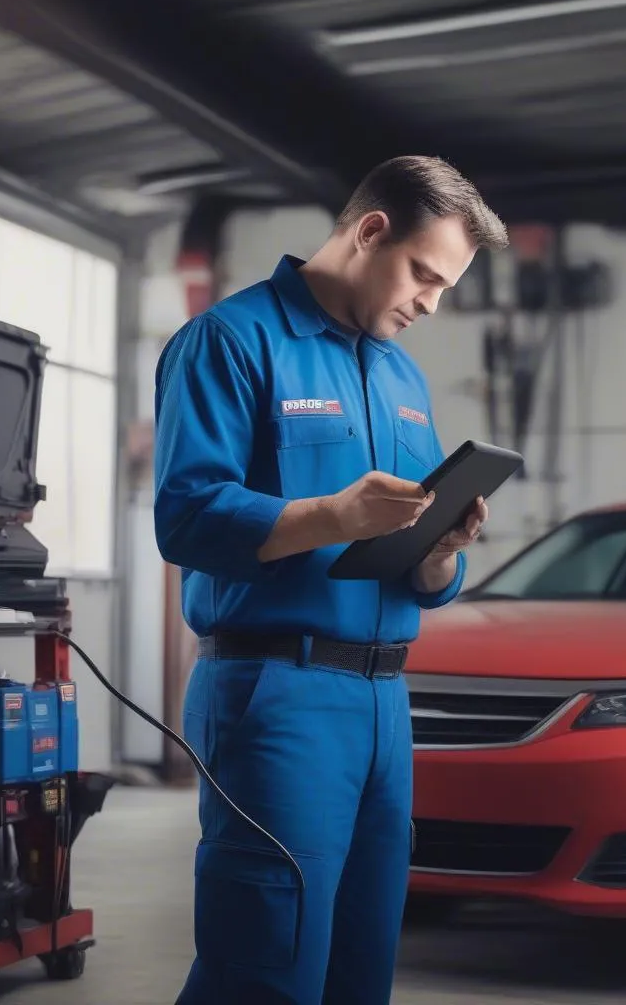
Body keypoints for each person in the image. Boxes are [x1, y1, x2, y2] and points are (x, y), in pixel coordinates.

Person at [153, 155, 509, 1005]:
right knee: (266, 966)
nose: (430, 303)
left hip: (384, 705)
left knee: (360, 965)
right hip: (277, 692)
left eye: (446, 287)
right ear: (370, 230)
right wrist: (334, 517)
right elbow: (188, 517)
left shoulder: (402, 377)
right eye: (424, 275)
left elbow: (413, 563)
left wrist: (439, 555)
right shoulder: (232, 342)